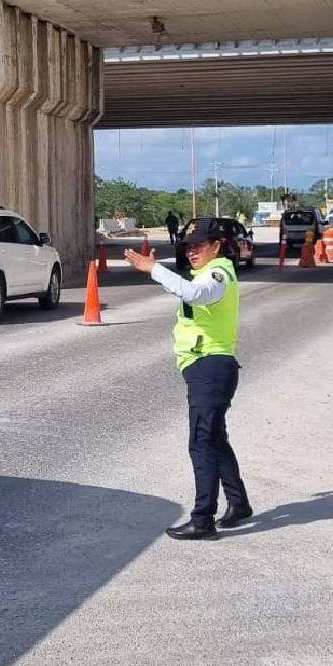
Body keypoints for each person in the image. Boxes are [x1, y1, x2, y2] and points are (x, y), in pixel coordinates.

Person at [123, 218, 252, 540]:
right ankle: (238, 504)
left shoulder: (218, 274)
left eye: (199, 245)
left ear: (217, 246)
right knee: (215, 439)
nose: (192, 251)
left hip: (211, 367)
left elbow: (196, 294)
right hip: (203, 366)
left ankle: (203, 519)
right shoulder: (207, 271)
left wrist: (154, 269)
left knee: (201, 443)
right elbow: (190, 289)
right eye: (189, 246)